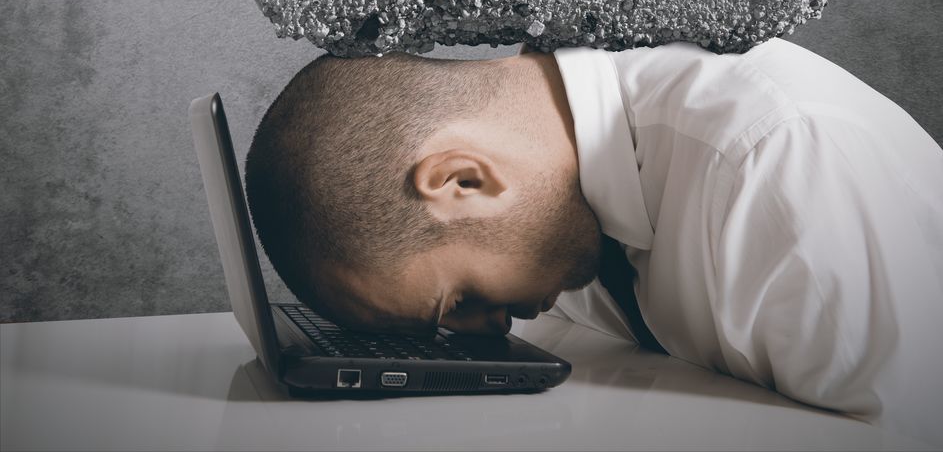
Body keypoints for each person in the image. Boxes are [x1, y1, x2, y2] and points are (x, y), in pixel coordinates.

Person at [245, 38, 943, 444]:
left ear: (462, 179)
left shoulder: (778, 168)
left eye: (456, 300)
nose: (484, 331)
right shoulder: (561, 195)